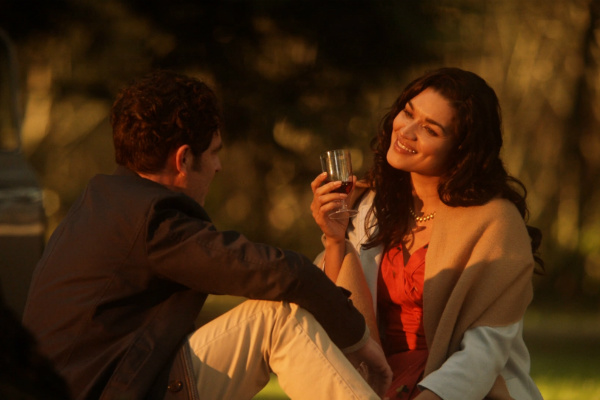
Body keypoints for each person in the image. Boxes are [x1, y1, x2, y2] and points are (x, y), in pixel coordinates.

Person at [21, 70, 392, 400]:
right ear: (183, 159)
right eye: (214, 153)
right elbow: (281, 272)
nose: (218, 166)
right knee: (278, 318)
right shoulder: (152, 219)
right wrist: (359, 341)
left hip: (105, 384)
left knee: (272, 317)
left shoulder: (104, 201)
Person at [311, 67, 544, 400]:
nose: (407, 131)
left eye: (430, 129)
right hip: (374, 381)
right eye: (408, 113)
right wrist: (335, 239)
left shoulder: (496, 222)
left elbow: (484, 352)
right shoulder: (369, 203)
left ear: (461, 150)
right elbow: (338, 313)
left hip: (458, 390)